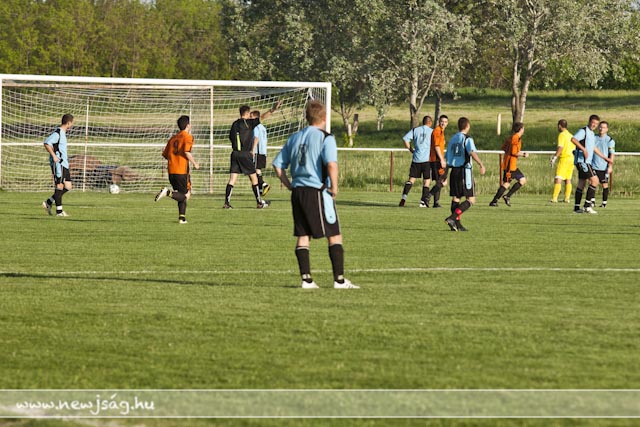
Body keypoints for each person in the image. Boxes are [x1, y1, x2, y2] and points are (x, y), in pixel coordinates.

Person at [272, 100, 358, 289]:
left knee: (303, 235)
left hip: (297, 192)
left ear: (307, 117)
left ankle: (306, 280)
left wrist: (289, 185)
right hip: (317, 191)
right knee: (334, 235)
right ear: (324, 117)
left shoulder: (294, 137)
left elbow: (277, 165)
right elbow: (331, 164)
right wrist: (334, 187)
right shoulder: (326, 138)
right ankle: (339, 281)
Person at [224, 100, 282, 209]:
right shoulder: (249, 123)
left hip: (235, 154)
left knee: (232, 179)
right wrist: (273, 109)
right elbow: (263, 117)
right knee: (254, 179)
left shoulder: (234, 124)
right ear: (246, 113)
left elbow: (231, 137)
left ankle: (226, 203)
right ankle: (259, 202)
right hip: (245, 154)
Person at [154, 115, 199, 224]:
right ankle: (167, 192)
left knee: (181, 195)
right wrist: (195, 163)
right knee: (186, 195)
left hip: (171, 171)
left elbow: (165, 155)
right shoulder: (187, 137)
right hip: (181, 171)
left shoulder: (172, 138)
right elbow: (187, 152)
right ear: (188, 125)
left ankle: (182, 218)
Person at [443, 117, 486, 231]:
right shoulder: (467, 138)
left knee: (456, 198)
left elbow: (448, 158)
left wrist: (445, 174)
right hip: (464, 171)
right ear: (468, 126)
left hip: (454, 171)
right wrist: (481, 164)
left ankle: (457, 225)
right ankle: (452, 218)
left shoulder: (453, 139)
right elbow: (471, 152)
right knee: (471, 199)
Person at [571, 114, 612, 214]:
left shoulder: (592, 134)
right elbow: (573, 139)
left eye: (596, 124)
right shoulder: (583, 131)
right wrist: (583, 149)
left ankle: (576, 208)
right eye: (593, 123)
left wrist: (605, 158)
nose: (594, 125)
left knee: (581, 183)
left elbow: (593, 148)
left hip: (586, 161)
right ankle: (587, 206)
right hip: (583, 161)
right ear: (589, 122)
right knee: (595, 180)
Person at [42, 114, 74, 217]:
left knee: (68, 186)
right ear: (68, 123)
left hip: (64, 164)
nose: (72, 125)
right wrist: (54, 156)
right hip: (59, 164)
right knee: (59, 186)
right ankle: (59, 211)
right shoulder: (58, 133)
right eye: (72, 123)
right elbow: (47, 143)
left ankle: (49, 202)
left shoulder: (63, 133)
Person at [489, 122, 528, 207]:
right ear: (521, 129)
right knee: (506, 184)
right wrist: (523, 154)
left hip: (512, 166)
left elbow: (503, 147)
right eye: (523, 128)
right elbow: (514, 152)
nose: (524, 130)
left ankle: (507, 196)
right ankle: (494, 201)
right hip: (510, 166)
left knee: (522, 180)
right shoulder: (515, 138)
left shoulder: (510, 138)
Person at [398, 116, 433, 207]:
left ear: (423, 122)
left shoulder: (415, 130)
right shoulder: (432, 131)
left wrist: (411, 149)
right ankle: (422, 202)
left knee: (411, 180)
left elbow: (405, 139)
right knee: (426, 181)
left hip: (416, 159)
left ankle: (403, 198)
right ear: (430, 123)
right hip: (426, 160)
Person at [425, 115, 449, 208]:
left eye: (445, 122)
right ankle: (428, 195)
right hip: (436, 159)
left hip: (437, 159)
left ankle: (436, 202)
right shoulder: (437, 131)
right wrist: (442, 159)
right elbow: (436, 146)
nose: (443, 123)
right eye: (442, 121)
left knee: (439, 181)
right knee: (443, 181)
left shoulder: (441, 131)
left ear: (447, 123)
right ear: (439, 121)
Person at [591, 121, 615, 208]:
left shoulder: (610, 140)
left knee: (604, 184)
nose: (601, 129)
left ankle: (604, 203)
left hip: (603, 166)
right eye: (600, 127)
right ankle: (592, 201)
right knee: (592, 182)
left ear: (607, 129)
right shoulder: (594, 138)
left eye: (604, 127)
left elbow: (611, 154)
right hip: (593, 165)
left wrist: (610, 166)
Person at [550, 119, 575, 203]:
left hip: (564, 158)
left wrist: (555, 157)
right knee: (568, 179)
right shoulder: (570, 135)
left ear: (559, 126)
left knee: (558, 177)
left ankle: (554, 198)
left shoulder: (562, 135)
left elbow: (560, 147)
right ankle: (567, 198)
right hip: (571, 158)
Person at [251, 110, 271, 197]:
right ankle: (260, 190)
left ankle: (264, 184)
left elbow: (256, 138)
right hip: (263, 151)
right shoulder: (263, 128)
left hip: (257, 151)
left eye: (251, 117)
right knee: (257, 170)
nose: (250, 118)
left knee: (254, 170)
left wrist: (252, 150)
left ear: (255, 117)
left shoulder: (256, 127)